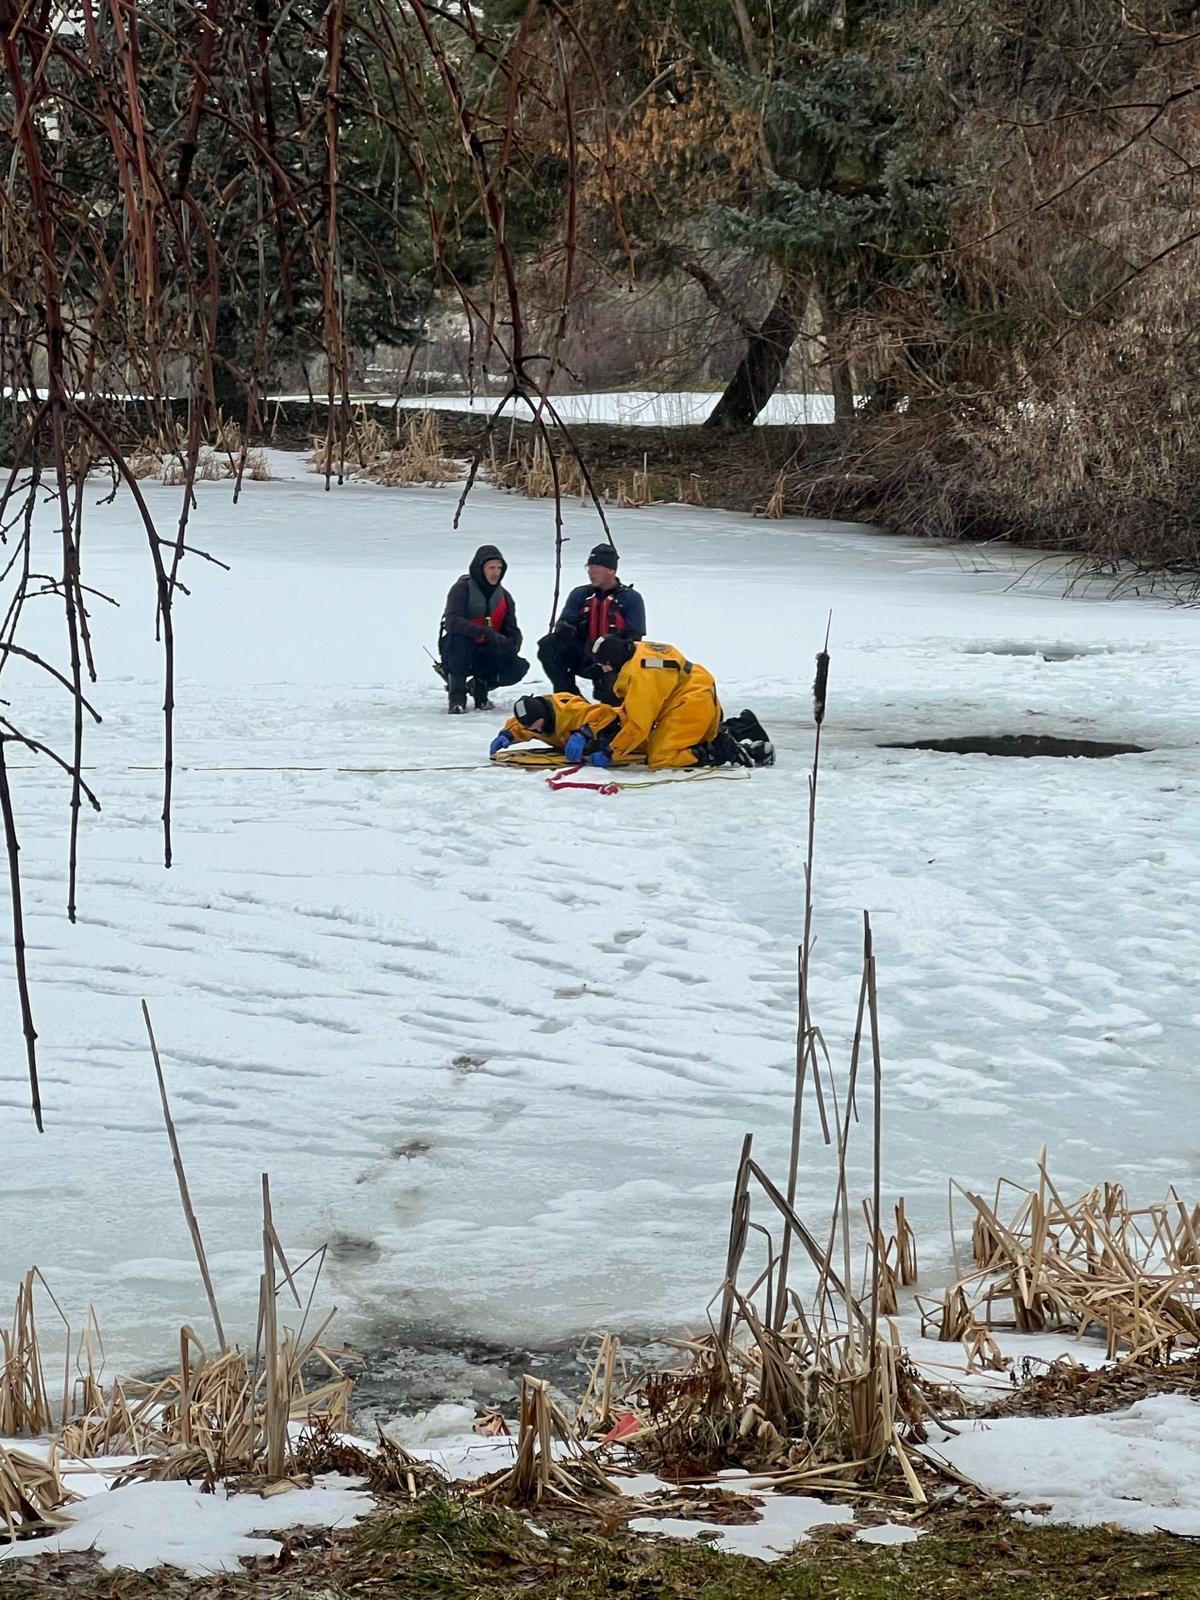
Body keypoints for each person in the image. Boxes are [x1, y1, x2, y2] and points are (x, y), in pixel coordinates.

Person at [581, 637, 775, 770]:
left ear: (612, 659)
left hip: (691, 702)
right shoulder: (637, 651)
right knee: (687, 737)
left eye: (603, 664)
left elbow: (638, 725)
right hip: (697, 690)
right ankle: (742, 726)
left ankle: (722, 750)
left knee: (662, 756)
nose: (604, 670)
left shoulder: (643, 676)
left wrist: (611, 751)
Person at [537, 543, 645, 705]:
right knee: (549, 644)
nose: (590, 571)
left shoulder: (631, 599)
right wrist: (569, 628)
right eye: (589, 566)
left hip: (613, 663)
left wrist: (612, 653)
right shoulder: (580, 594)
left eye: (596, 567)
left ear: (611, 570)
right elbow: (564, 624)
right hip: (585, 656)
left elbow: (635, 640)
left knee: (610, 697)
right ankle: (569, 698)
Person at [439, 544, 529, 714]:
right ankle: (457, 696)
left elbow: (511, 628)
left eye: (499, 568)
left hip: (487, 650)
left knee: (518, 667)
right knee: (460, 643)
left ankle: (479, 688)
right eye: (491, 568)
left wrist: (513, 643)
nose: (496, 572)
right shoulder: (461, 589)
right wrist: (484, 632)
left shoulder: (504, 597)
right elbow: (452, 621)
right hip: (460, 650)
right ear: (480, 569)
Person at [488, 693, 631, 759]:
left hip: (624, 730)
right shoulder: (535, 721)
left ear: (544, 715)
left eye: (538, 726)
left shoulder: (572, 711)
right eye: (533, 729)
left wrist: (584, 733)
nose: (538, 731)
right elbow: (520, 726)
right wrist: (507, 735)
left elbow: (606, 715)